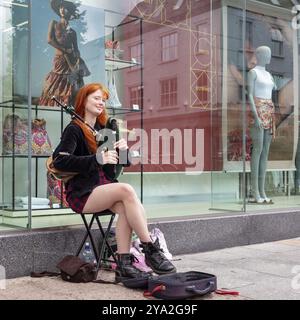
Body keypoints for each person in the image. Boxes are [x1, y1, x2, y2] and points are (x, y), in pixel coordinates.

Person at [52, 83, 176, 282]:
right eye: (96, 98)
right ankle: (150, 248)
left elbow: (117, 165)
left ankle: (124, 265)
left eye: (103, 99)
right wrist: (96, 159)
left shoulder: (104, 130)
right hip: (83, 193)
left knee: (126, 208)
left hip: (104, 188)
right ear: (84, 101)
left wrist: (123, 150)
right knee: (126, 190)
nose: (101, 102)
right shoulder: (74, 129)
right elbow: (60, 160)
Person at [39, 0, 90, 107]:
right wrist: (65, 50)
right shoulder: (54, 23)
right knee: (55, 81)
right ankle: (54, 106)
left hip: (70, 60)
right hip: (60, 59)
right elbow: (49, 40)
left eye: (65, 8)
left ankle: (67, 106)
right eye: (61, 7)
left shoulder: (72, 31)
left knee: (70, 84)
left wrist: (77, 60)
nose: (62, 9)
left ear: (69, 11)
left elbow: (76, 49)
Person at [247, 46, 276, 204]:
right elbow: (249, 94)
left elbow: (273, 91)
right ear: (258, 55)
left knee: (265, 152)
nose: (269, 56)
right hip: (258, 111)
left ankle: (262, 189)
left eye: (269, 54)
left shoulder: (269, 75)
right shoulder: (253, 73)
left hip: (269, 112)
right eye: (266, 53)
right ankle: (254, 191)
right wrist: (256, 115)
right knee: (257, 150)